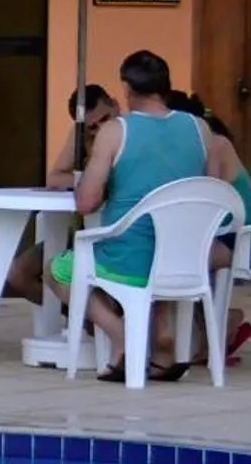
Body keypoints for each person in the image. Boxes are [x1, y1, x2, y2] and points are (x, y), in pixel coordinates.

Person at [45, 51, 213, 383]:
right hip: (183, 256)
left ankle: (124, 336)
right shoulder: (199, 129)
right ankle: (161, 342)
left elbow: (86, 203)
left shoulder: (116, 131)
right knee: (155, 248)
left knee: (58, 272)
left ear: (125, 88)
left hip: (128, 257)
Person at [165, 90, 251, 364]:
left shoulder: (215, 144)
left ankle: (221, 326)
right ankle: (219, 327)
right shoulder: (202, 143)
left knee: (182, 259)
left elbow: (208, 195)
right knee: (178, 257)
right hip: (231, 234)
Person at [2, 83, 120, 305]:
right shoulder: (82, 137)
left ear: (115, 104)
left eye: (105, 119)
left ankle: (95, 322)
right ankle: (82, 320)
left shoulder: (129, 132)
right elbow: (54, 178)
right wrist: (89, 181)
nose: (101, 129)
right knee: (18, 275)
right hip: (79, 231)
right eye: (93, 127)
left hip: (115, 235)